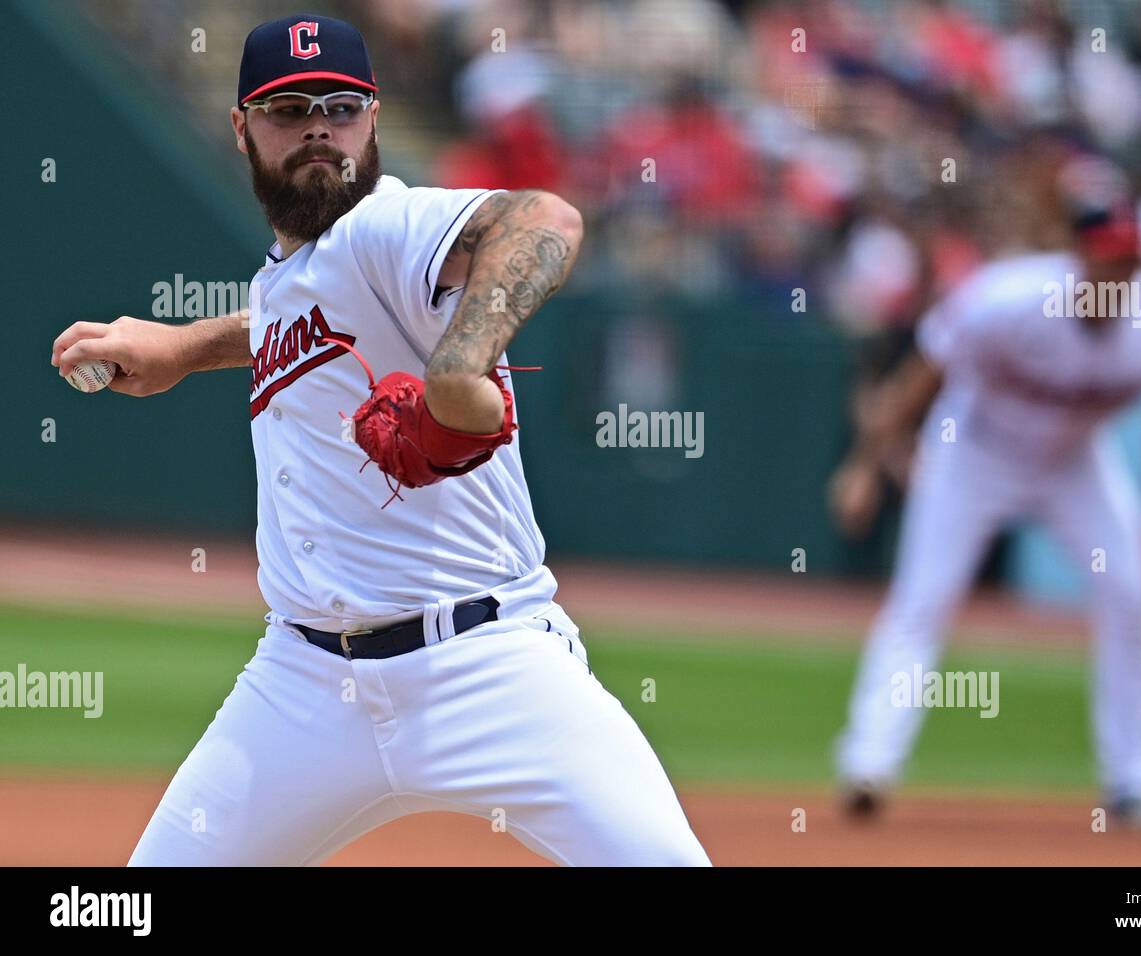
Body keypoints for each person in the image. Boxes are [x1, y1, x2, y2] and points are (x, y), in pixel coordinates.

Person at [51, 14, 708, 866]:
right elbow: (296, 316)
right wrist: (184, 346)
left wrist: (459, 364)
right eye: (290, 109)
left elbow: (544, 219)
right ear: (241, 128)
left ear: (373, 119)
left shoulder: (385, 229)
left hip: (489, 664)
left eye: (341, 105)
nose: (320, 125)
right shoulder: (300, 269)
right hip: (305, 688)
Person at [829, 172, 1141, 828]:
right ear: (1080, 256)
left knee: (1131, 590)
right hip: (975, 449)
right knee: (924, 597)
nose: (1120, 273)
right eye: (1110, 258)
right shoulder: (1006, 299)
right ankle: (868, 764)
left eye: (1132, 261)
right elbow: (923, 376)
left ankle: (1132, 780)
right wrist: (865, 466)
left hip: (1075, 464)